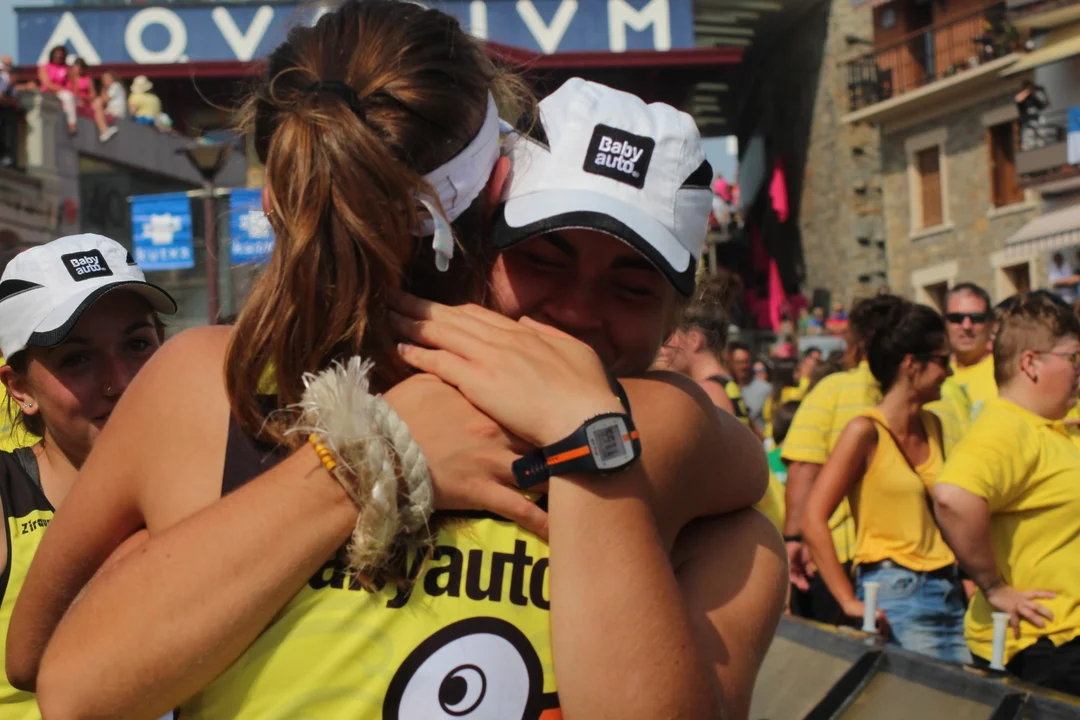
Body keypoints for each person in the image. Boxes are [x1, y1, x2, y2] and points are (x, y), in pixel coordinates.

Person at [19, 13, 781, 719]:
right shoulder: (638, 430)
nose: (577, 312)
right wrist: (368, 455)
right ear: (494, 202)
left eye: (632, 286)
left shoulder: (200, 384)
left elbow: (44, 660)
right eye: (545, 258)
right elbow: (55, 672)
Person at [0, 234, 174, 718]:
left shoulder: (226, 480)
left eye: (137, 344)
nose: (120, 381)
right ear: (20, 389)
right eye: (77, 358)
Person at [802, 301, 970, 663]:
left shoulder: (933, 426)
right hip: (894, 594)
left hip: (948, 591)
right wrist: (848, 600)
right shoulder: (865, 431)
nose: (949, 372)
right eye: (943, 360)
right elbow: (812, 517)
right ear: (911, 364)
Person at [934, 291, 1080, 695]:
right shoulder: (1007, 427)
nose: (1078, 370)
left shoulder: (1044, 426)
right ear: (1031, 363)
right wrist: (994, 587)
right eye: (1073, 359)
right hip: (1045, 644)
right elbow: (952, 496)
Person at [782, 294, 902, 623]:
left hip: (832, 556)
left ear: (857, 341)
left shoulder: (832, 390)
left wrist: (793, 539)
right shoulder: (932, 392)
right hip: (909, 562)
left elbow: (804, 467)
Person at [656, 275, 758, 432]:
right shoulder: (724, 383)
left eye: (669, 338)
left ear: (694, 340)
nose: (663, 348)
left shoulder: (707, 392)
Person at [733, 342, 770, 430]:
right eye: (738, 362)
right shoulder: (723, 389)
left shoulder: (766, 389)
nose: (742, 366)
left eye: (746, 361)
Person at [90, 71, 124, 143]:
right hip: (111, 110)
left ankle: (104, 130)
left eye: (107, 78)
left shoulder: (115, 85)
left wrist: (103, 90)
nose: (106, 81)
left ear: (113, 78)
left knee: (98, 104)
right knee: (97, 106)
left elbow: (105, 99)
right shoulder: (111, 88)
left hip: (116, 111)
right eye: (104, 79)